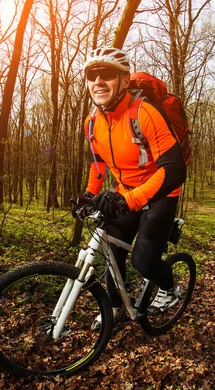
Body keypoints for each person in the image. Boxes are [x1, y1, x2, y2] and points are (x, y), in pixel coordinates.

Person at [77, 47, 187, 326]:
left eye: (107, 75)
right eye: (92, 75)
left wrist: (131, 200)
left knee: (143, 260)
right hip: (125, 193)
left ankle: (169, 288)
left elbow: (174, 169)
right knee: (112, 253)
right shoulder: (92, 123)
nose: (98, 82)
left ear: (125, 81)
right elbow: (99, 164)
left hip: (161, 194)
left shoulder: (145, 112)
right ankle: (114, 309)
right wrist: (90, 194)